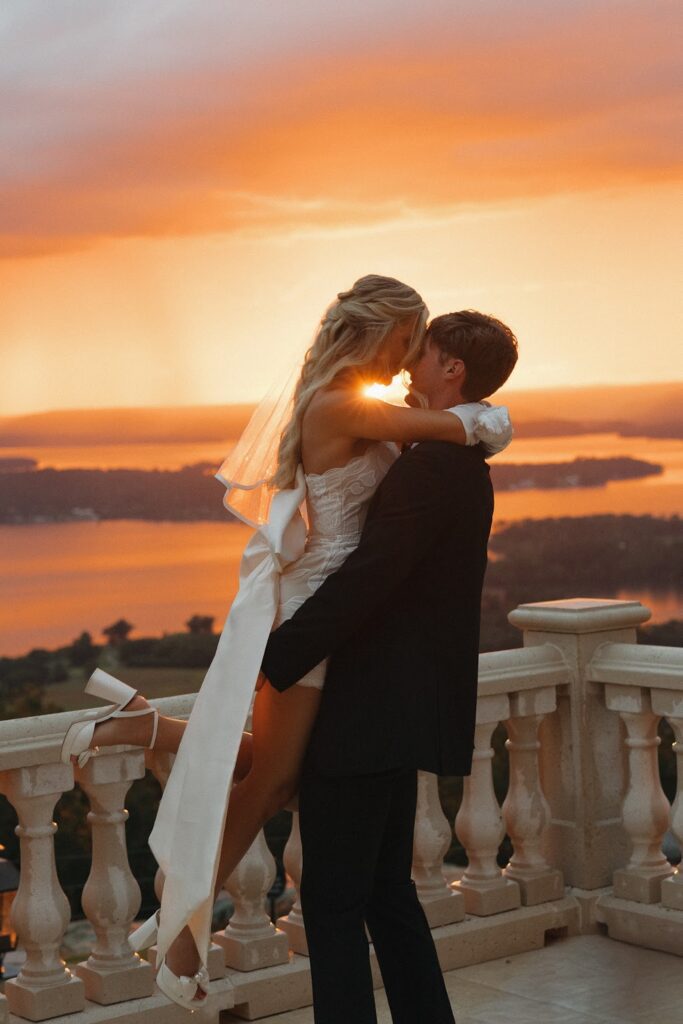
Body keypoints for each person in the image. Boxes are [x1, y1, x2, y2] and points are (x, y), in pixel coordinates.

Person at [59, 276, 513, 1010]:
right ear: (376, 332)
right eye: (406, 340)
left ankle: (154, 729)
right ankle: (184, 922)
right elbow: (462, 429)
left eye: (418, 348)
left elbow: (438, 443)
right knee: (273, 781)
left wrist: (471, 413)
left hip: (332, 619)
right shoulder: (340, 406)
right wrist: (490, 416)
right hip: (313, 613)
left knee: (290, 768)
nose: (405, 361)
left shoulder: (360, 406)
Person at [258, 309, 519, 1023]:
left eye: (423, 352)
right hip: (397, 700)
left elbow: (370, 575)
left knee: (333, 902)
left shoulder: (433, 465)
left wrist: (276, 654)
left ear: (452, 369)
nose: (408, 364)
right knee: (383, 891)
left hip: (369, 704)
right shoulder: (449, 454)